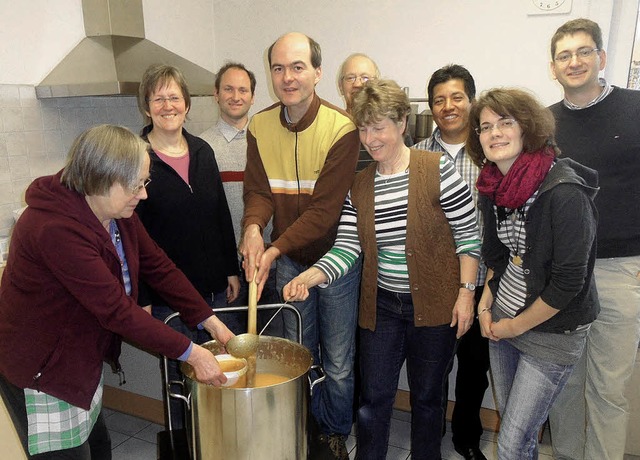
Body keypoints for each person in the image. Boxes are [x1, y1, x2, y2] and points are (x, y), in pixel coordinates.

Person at [0, 124, 234, 460]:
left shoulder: (114, 212)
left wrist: (209, 321)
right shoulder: (54, 229)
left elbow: (160, 266)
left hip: (78, 358)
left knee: (99, 448)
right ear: (100, 180)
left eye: (145, 182)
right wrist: (193, 354)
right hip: (43, 370)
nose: (144, 195)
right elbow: (116, 311)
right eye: (136, 185)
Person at [283, 79, 481, 460]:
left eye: (379, 127)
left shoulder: (437, 169)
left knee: (427, 399)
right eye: (363, 127)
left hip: (436, 307)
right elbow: (347, 247)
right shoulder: (360, 185)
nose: (370, 139)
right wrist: (312, 275)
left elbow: (468, 236)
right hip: (383, 307)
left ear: (402, 123)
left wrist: (466, 293)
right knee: (373, 398)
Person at [240, 32, 361, 459]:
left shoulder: (341, 129)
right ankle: (303, 429)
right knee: (298, 353)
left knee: (340, 361)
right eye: (278, 68)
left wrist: (272, 249)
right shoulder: (259, 125)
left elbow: (324, 213)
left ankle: (333, 432)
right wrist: (253, 228)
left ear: (317, 72)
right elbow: (257, 191)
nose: (287, 77)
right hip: (290, 260)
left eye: (297, 67)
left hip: (336, 264)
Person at [466, 88, 600, 459]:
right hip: (503, 316)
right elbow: (496, 255)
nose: (494, 133)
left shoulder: (564, 191)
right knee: (516, 430)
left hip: (551, 329)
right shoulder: (494, 185)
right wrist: (485, 307)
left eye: (505, 123)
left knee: (511, 441)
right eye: (485, 126)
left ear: (527, 128)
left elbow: (569, 283)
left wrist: (514, 326)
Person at [546, 18, 640, 460]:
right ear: (553, 66)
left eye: (584, 52)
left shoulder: (636, 109)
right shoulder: (544, 125)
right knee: (563, 383)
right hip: (564, 275)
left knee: (609, 389)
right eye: (564, 55)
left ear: (601, 58)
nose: (575, 62)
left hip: (620, 269)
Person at [135, 64, 240, 430]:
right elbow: (136, 237)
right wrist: (143, 295)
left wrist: (230, 268)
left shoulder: (202, 150)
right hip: (169, 298)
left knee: (222, 376)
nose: (167, 105)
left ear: (187, 105)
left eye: (174, 97)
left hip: (214, 289)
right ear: (146, 107)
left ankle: (221, 444)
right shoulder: (137, 157)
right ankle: (185, 445)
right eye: (158, 98)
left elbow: (219, 213)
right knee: (181, 382)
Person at [413, 64, 490, 460]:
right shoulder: (417, 156)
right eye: (439, 100)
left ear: (472, 101)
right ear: (431, 107)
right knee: (433, 369)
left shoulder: (490, 150)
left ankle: (467, 437)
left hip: (481, 280)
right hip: (433, 281)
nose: (448, 106)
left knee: (475, 366)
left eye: (457, 97)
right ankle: (431, 434)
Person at [200, 62, 281, 325]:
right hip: (228, 273)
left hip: (272, 267)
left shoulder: (270, 141)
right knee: (231, 354)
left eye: (243, 90)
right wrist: (223, 267)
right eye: (229, 89)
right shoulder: (201, 148)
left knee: (272, 352)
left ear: (253, 96)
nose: (236, 97)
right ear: (216, 94)